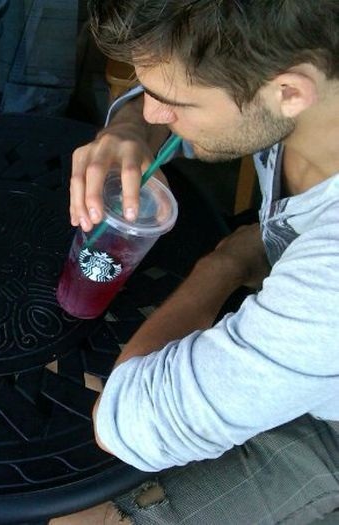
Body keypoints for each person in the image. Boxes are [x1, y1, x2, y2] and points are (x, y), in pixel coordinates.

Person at [51, 1, 339, 523]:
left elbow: (126, 424)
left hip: (328, 427)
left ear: (290, 91)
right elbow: (206, 101)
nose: (154, 111)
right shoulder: (302, 90)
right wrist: (131, 130)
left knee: (71, 516)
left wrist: (225, 263)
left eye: (173, 102)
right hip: (288, 329)